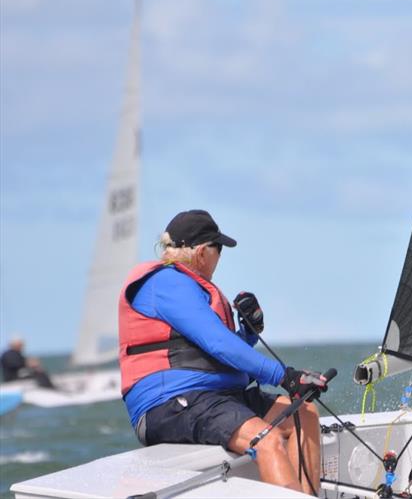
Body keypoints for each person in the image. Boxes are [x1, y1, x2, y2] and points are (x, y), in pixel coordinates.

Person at [118, 209, 327, 495]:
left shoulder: (191, 287)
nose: (219, 258)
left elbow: (214, 352)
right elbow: (217, 344)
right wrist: (285, 377)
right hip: (169, 404)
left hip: (213, 398)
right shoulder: (166, 284)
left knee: (305, 412)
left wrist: (248, 334)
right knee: (267, 439)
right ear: (203, 252)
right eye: (219, 250)